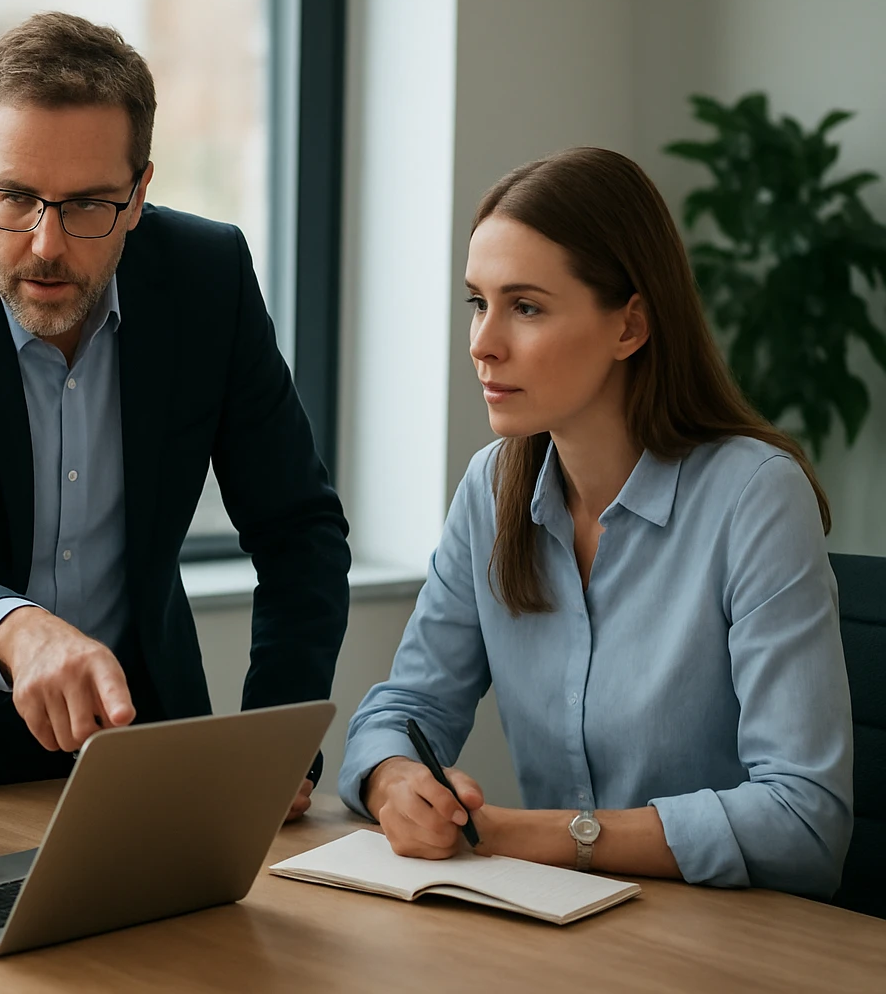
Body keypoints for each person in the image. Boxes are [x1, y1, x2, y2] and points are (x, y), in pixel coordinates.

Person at [0, 12, 351, 815]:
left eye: (87, 207)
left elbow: (298, 529)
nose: (45, 244)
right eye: (15, 198)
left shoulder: (208, 283)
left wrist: (272, 742)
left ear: (140, 193)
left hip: (136, 747)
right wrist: (18, 630)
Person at [340, 147, 854, 899]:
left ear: (631, 326)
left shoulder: (755, 497)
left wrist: (545, 835)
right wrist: (394, 783)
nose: (483, 343)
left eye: (526, 307)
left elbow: (805, 820)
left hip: (730, 946)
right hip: (561, 931)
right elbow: (407, 707)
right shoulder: (492, 490)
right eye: (477, 302)